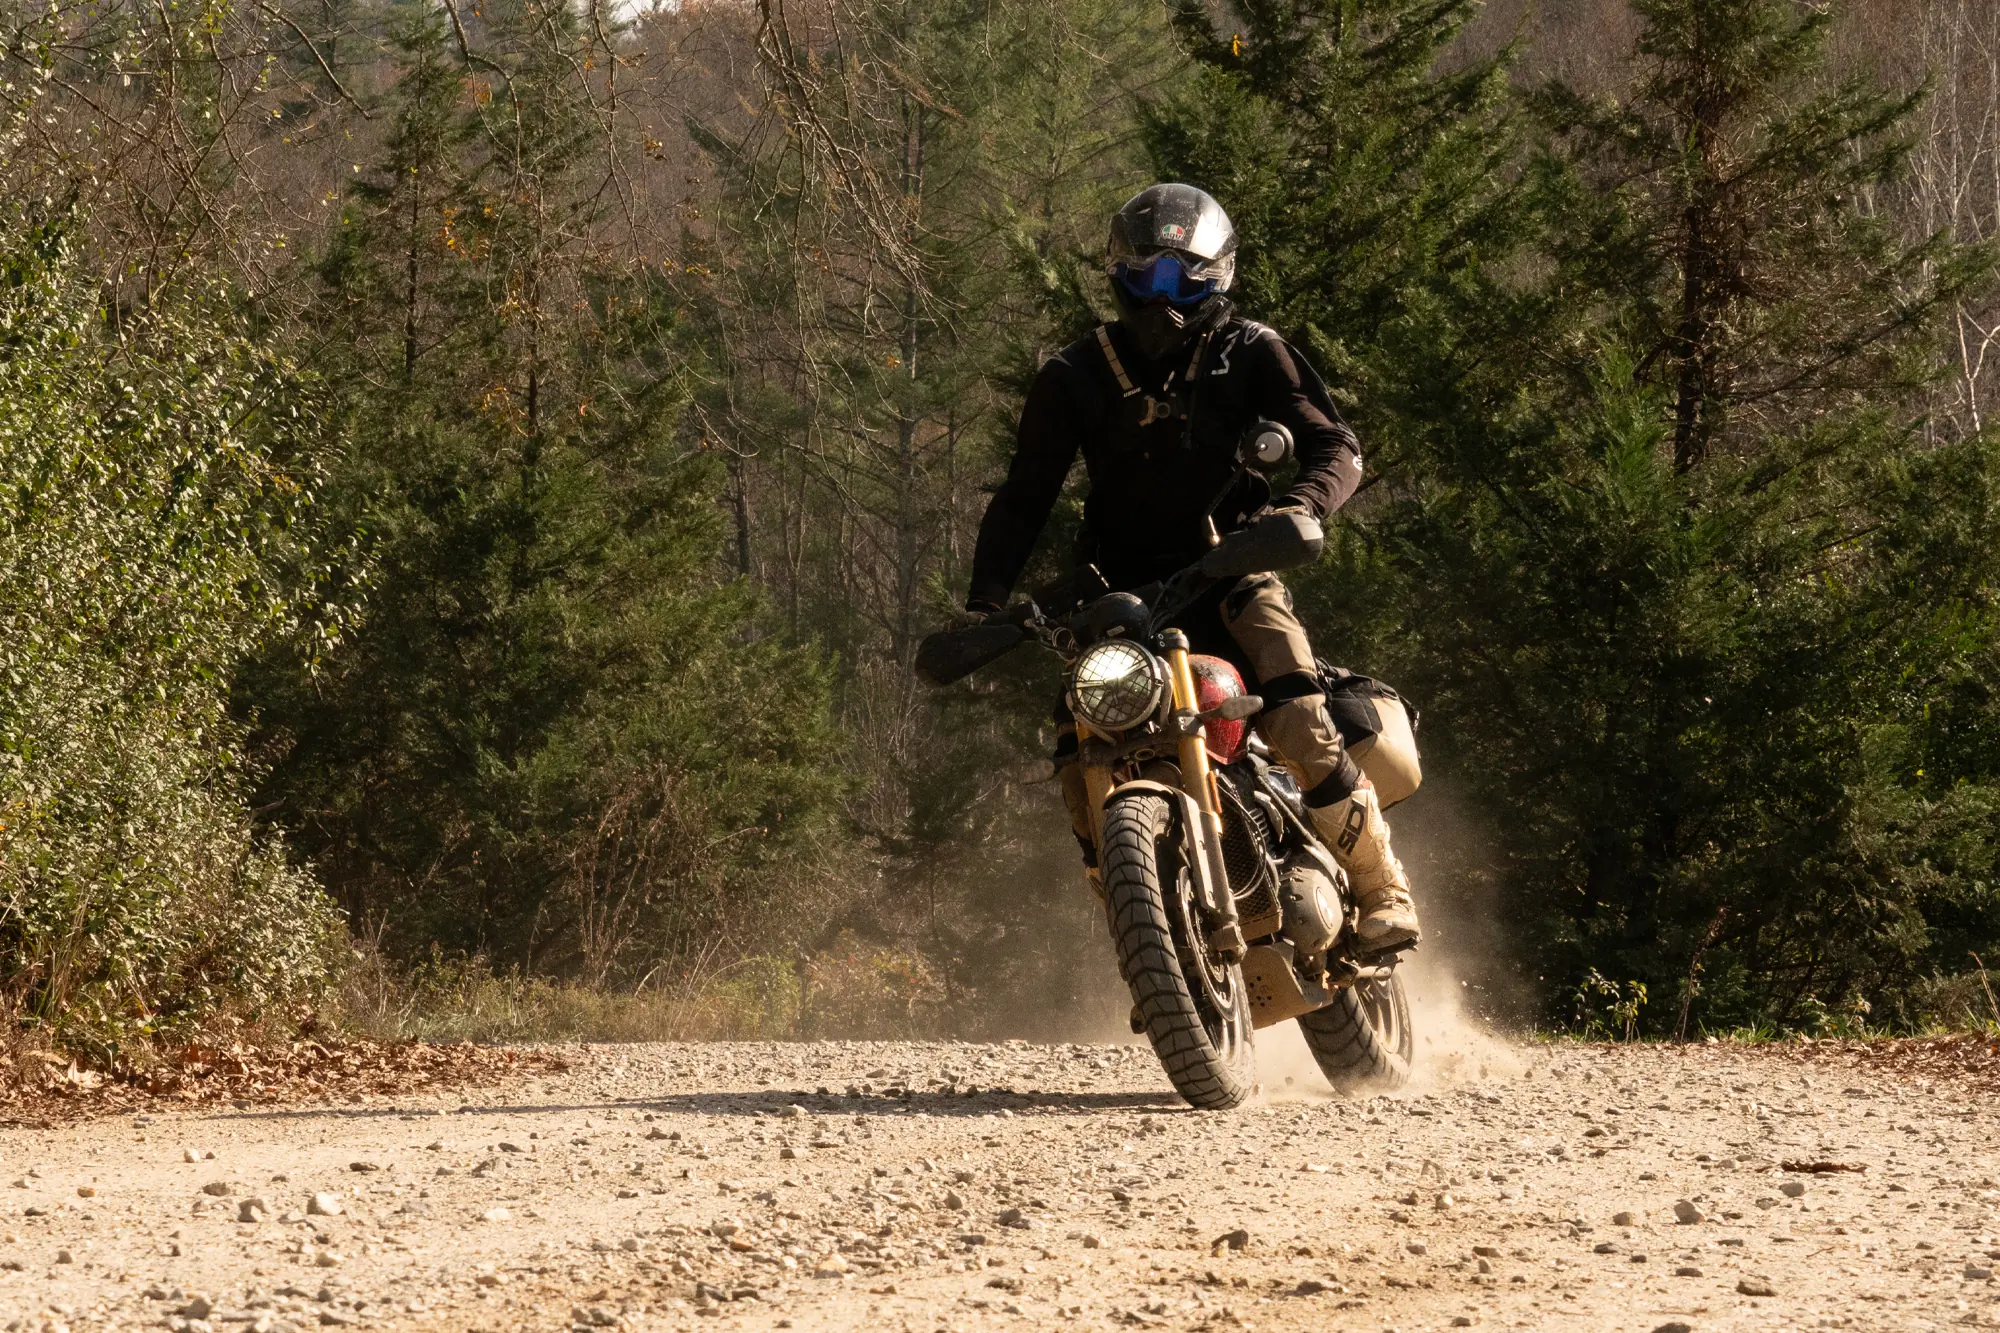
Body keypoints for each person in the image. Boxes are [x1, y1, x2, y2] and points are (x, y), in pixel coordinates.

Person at [961, 182, 1420, 952]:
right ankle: (1144, 935)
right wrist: (986, 602)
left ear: (1219, 274)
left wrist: (1298, 507)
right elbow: (1023, 497)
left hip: (1234, 569)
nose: (1161, 297)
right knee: (1081, 752)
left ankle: (1383, 888)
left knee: (1299, 710)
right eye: (1145, 275)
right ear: (1118, 273)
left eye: (1182, 276)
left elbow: (1334, 445)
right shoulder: (1073, 375)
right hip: (1120, 598)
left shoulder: (1252, 350)